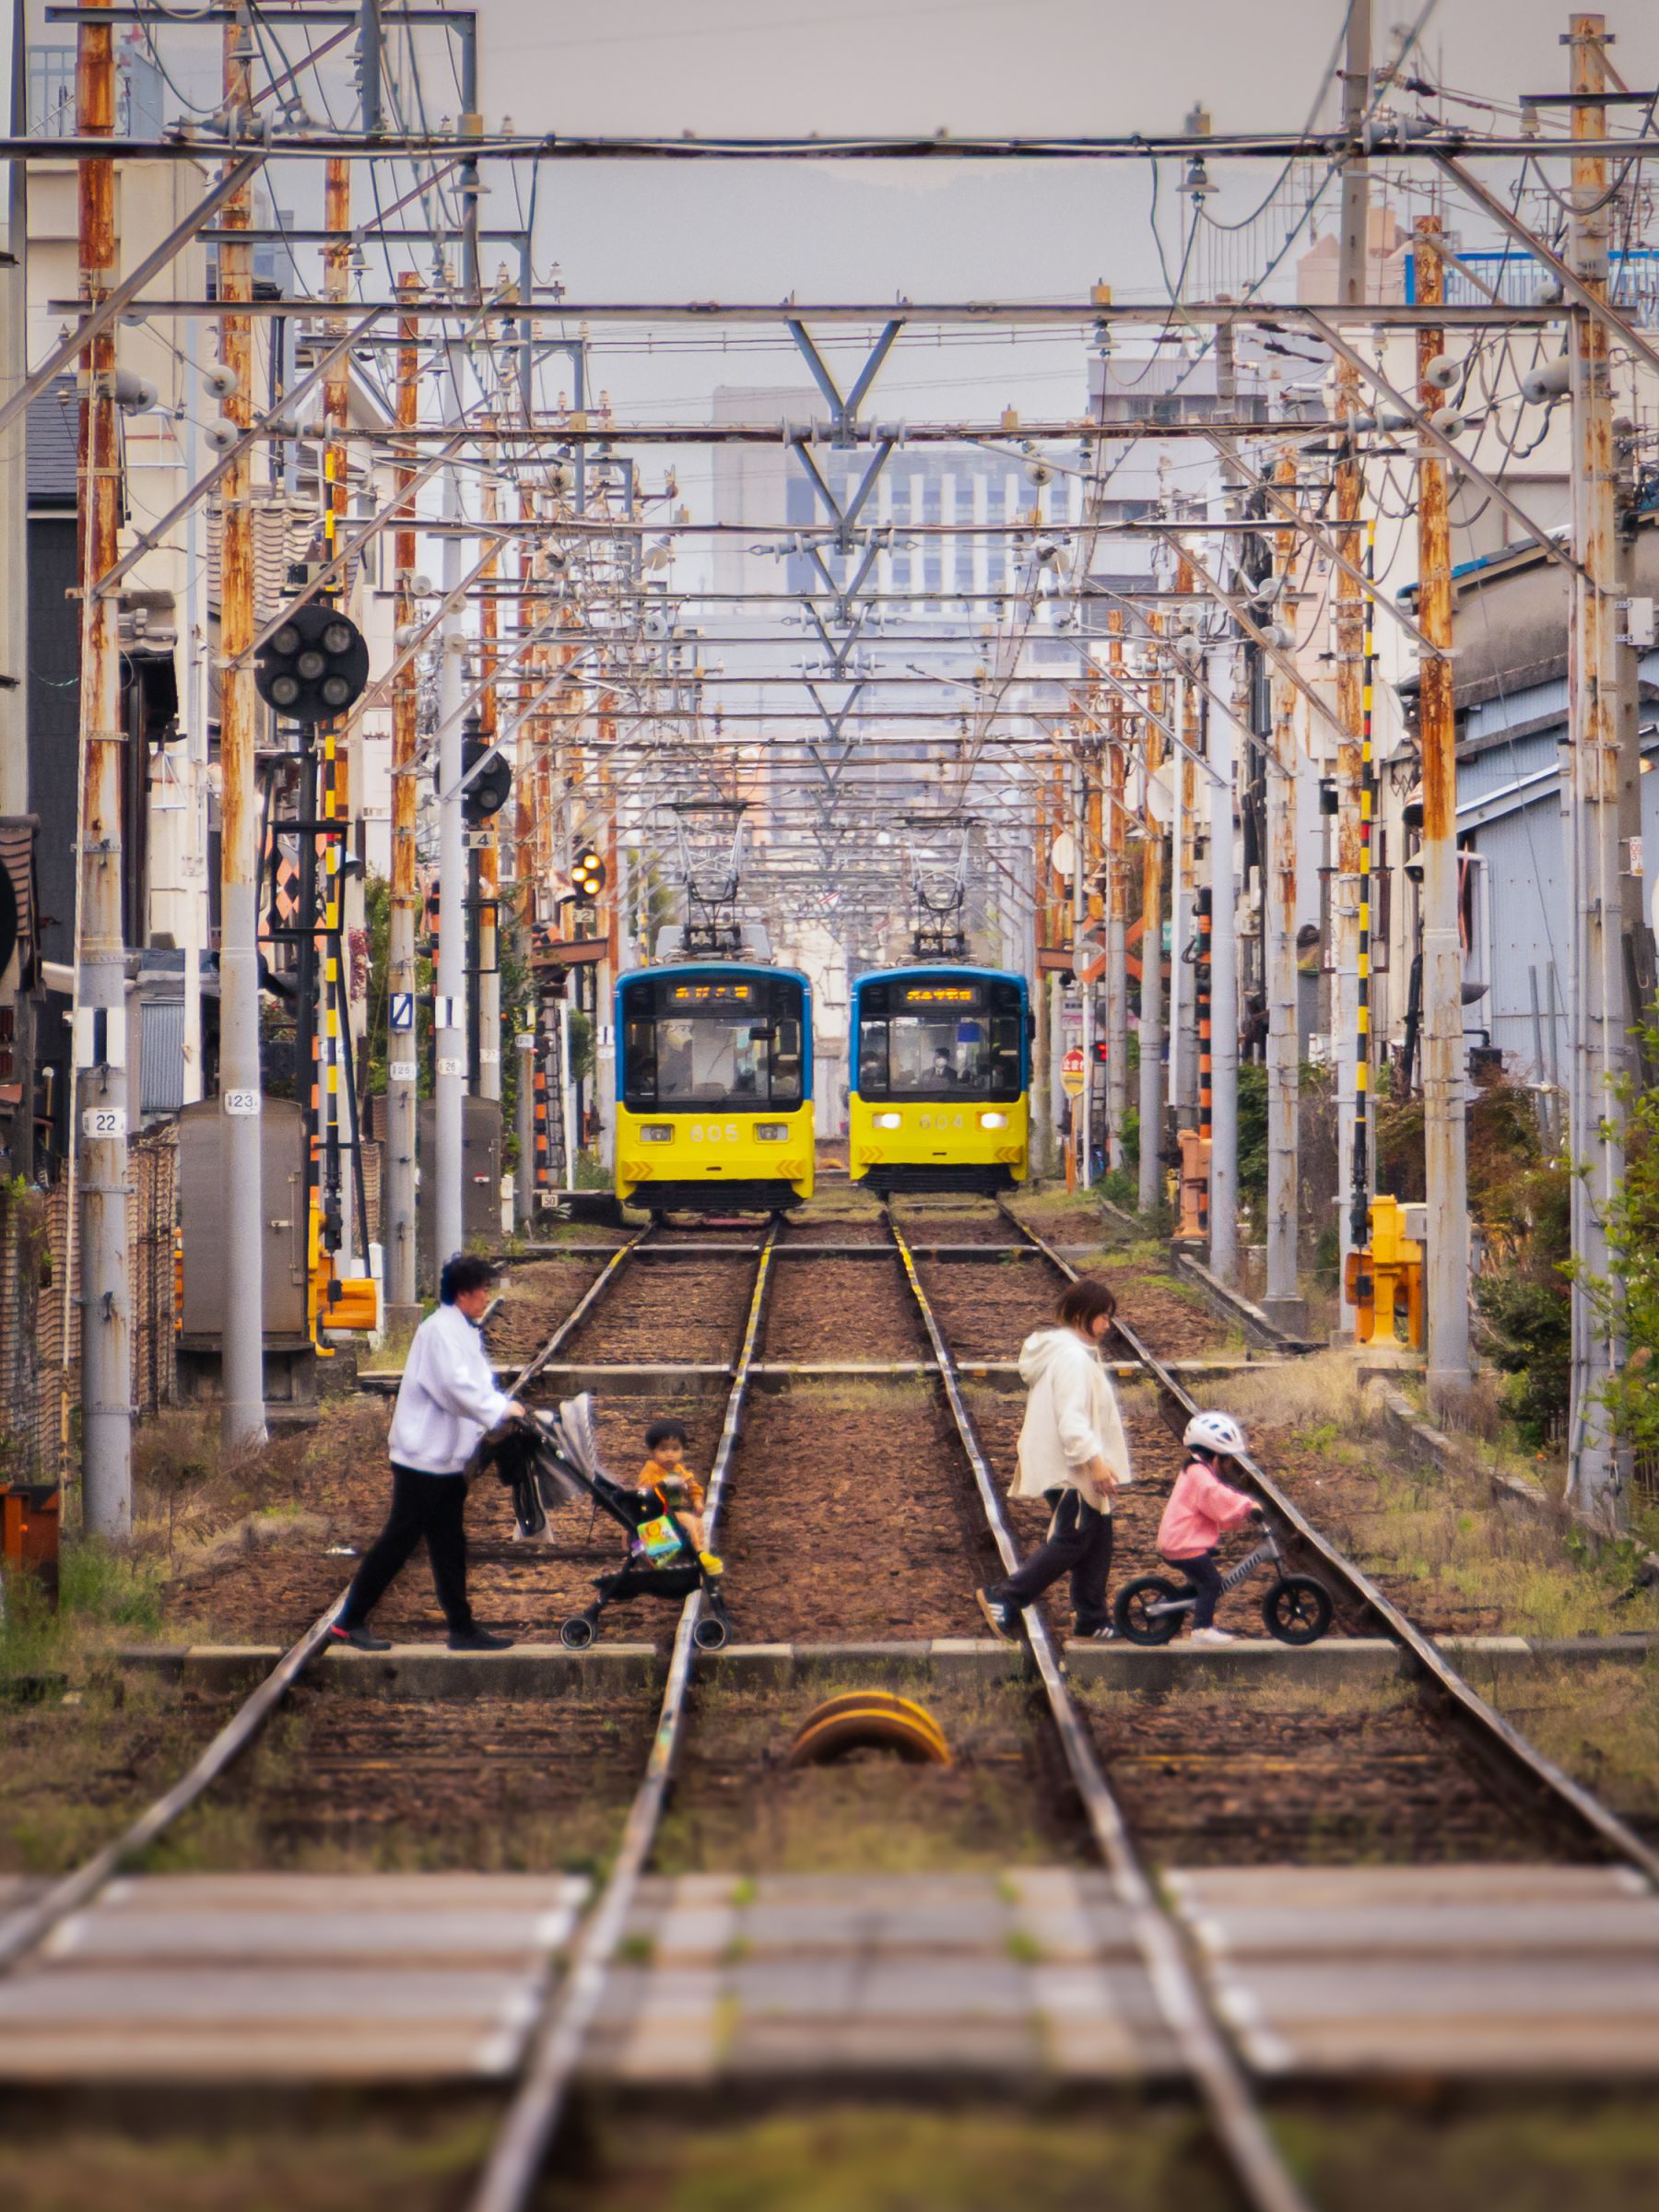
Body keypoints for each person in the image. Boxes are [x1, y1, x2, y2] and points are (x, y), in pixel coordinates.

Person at [329, 1253, 523, 1653]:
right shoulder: (439, 1332)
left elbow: (474, 1383)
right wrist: (500, 1410)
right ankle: (349, 1620)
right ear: (464, 1293)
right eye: (483, 1290)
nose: (487, 1297)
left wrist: (498, 1407)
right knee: (400, 1540)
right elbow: (454, 1387)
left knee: (449, 1544)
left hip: (443, 1460)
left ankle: (461, 1627)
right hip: (422, 1459)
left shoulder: (460, 1329)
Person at [975, 1277, 1132, 1643]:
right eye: (1103, 1316)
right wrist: (1095, 1464)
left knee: (1097, 1538)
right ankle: (1005, 1596)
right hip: (1070, 1470)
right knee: (1072, 1539)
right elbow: (1071, 1420)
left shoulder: (1073, 1354)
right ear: (1081, 1315)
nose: (1107, 1325)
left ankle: (1092, 1618)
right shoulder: (1072, 1358)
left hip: (1075, 1467)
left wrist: (1098, 1460)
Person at [1157, 1411, 1264, 1646]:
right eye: (1227, 1459)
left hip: (1180, 1539)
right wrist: (1247, 1505)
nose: (1229, 1465)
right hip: (1183, 1543)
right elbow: (1217, 1496)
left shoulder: (1196, 1469)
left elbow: (1216, 1497)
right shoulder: (1200, 1477)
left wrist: (1242, 1505)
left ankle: (1173, 1606)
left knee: (1201, 1581)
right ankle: (1201, 1630)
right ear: (1215, 1456)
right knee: (1211, 1582)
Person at [637, 1417, 722, 1575]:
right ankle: (698, 1553)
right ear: (652, 1452)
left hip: (673, 1511)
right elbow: (644, 1486)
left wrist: (697, 1501)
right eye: (663, 1449)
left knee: (697, 1522)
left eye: (675, 1449)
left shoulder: (679, 1470)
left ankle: (700, 1550)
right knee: (688, 1521)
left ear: (682, 1450)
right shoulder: (651, 1469)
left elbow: (693, 1487)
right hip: (657, 1512)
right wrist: (664, 1483)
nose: (670, 1454)